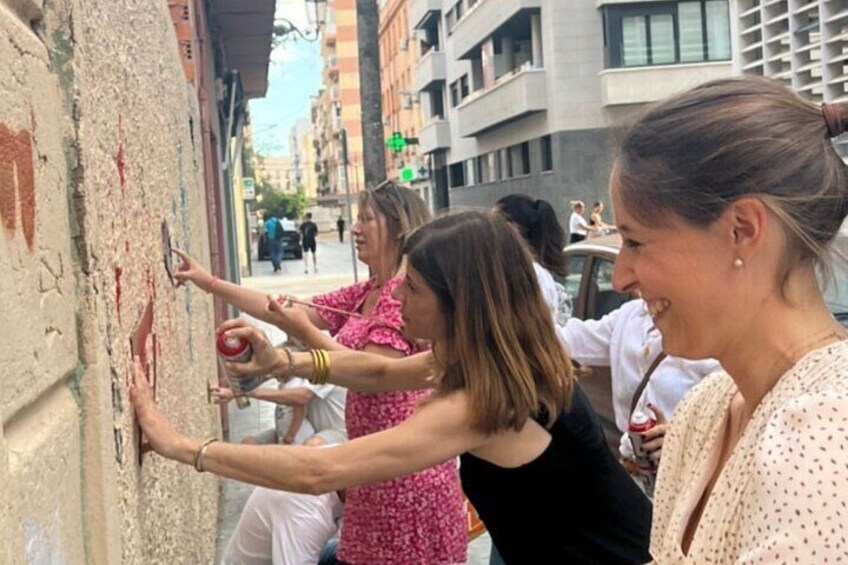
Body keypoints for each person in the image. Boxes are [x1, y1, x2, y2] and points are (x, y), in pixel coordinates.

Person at [129, 211, 652, 564]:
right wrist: (281, 360)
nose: (398, 297)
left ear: (460, 303)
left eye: (416, 288)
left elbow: (320, 471)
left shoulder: (483, 402)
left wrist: (181, 446)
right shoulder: (490, 354)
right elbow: (377, 373)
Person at [608, 76, 848, 561]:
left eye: (635, 242)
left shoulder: (824, 436)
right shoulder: (705, 409)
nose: (620, 277)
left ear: (743, 230)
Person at [173, 183, 466, 564]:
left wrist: (300, 341)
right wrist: (209, 283)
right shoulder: (369, 291)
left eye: (366, 219)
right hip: (369, 479)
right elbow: (284, 307)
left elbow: (372, 373)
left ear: (397, 228)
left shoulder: (401, 297)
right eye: (356, 219)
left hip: (404, 487)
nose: (356, 228)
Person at [557, 298, 721, 495]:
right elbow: (569, 340)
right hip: (632, 478)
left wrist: (685, 437)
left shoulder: (713, 328)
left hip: (683, 485)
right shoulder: (630, 315)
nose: (621, 281)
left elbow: (736, 418)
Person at [495, 194, 572, 323]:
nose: (487, 232)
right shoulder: (524, 273)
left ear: (514, 230)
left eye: (494, 224)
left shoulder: (531, 276)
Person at [212, 377, 317, 446]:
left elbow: (300, 410)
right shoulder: (284, 382)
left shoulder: (295, 385)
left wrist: (289, 436)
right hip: (282, 431)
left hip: (295, 437)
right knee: (248, 443)